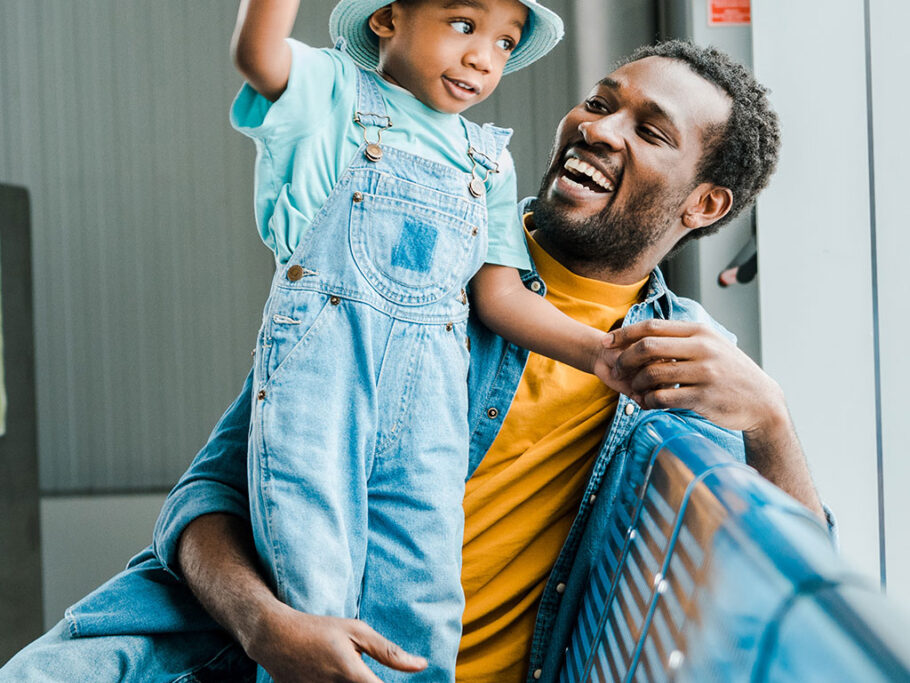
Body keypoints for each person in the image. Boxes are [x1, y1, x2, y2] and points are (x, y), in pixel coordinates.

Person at [0, 40, 831, 683]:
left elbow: (805, 590)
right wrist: (266, 626)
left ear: (706, 203)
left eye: (648, 131)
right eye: (598, 102)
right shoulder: (406, 256)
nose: (597, 128)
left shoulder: (682, 363)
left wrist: (771, 418)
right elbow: (207, 498)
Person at [208, 0, 644, 680]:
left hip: (432, 405)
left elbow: (497, 296)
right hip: (323, 384)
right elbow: (257, 54)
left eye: (505, 43)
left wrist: (599, 352)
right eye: (465, 26)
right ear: (386, 19)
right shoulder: (330, 95)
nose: (483, 57)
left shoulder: (486, 161)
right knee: (314, 575)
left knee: (424, 588)